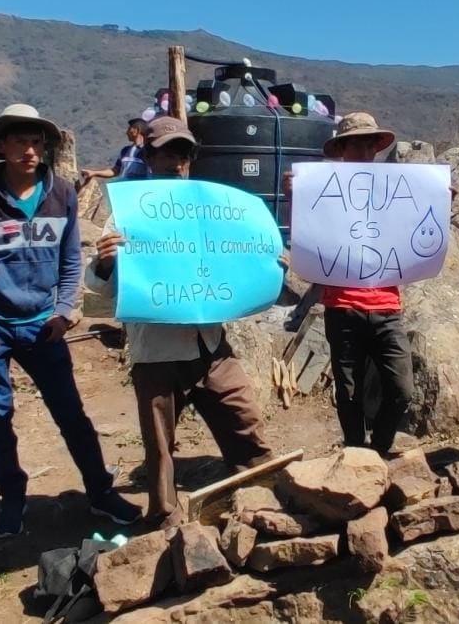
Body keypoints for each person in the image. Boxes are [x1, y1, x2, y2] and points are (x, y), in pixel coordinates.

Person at [0, 103, 140, 538]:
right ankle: (12, 499)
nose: (31, 150)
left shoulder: (62, 194)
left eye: (37, 141)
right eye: (20, 141)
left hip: (44, 325)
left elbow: (71, 258)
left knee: (71, 413)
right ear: (1, 146)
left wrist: (64, 310)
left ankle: (100, 492)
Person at [85, 116, 274, 529]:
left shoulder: (214, 210)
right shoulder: (129, 214)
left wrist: (264, 261)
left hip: (210, 344)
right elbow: (98, 288)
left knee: (244, 420)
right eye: (168, 152)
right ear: (148, 156)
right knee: (159, 445)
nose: (177, 161)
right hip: (157, 351)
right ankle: (163, 520)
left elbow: (236, 257)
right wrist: (103, 262)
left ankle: (266, 493)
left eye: (183, 153)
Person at [286, 112, 416, 456]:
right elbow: (304, 235)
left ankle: (380, 448)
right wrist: (293, 198)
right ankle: (355, 453)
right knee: (349, 390)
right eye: (355, 143)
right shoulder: (323, 190)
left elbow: (414, 230)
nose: (364, 150)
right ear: (342, 149)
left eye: (369, 143)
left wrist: (435, 198)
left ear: (377, 148)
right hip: (342, 306)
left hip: (387, 307)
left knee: (402, 389)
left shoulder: (393, 189)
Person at [81, 117, 148, 184]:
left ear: (137, 130)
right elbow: (115, 170)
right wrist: (94, 173)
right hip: (124, 189)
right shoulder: (125, 151)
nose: (127, 132)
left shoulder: (147, 151)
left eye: (129, 129)